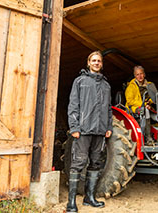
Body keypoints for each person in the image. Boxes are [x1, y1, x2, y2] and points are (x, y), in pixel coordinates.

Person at [67, 50, 113, 212]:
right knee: (78, 163)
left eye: (99, 61)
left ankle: (89, 197)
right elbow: (73, 105)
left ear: (101, 64)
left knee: (96, 163)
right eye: (93, 60)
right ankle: (71, 202)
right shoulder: (80, 81)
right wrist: (74, 127)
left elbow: (108, 108)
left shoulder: (106, 85)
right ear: (88, 63)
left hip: (100, 131)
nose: (96, 63)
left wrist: (108, 127)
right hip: (84, 130)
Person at [125, 65, 154, 142]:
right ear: (135, 76)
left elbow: (153, 97)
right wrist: (144, 104)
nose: (140, 76)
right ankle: (148, 137)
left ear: (144, 74)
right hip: (133, 108)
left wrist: (149, 102)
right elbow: (130, 101)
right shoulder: (131, 87)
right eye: (137, 74)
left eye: (141, 74)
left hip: (146, 106)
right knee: (145, 111)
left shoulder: (149, 85)